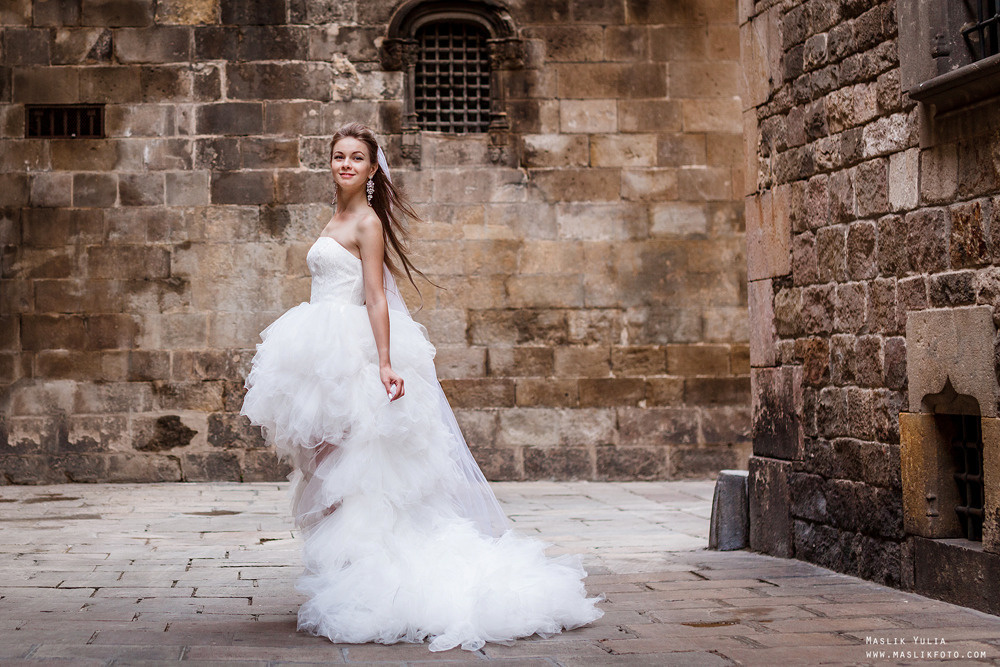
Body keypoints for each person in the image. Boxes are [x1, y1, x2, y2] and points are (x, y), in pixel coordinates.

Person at [240, 122, 604, 652]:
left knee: (359, 472)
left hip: (351, 349)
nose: (345, 164)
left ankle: (379, 581)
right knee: (327, 467)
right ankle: (347, 572)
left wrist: (385, 363)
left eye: (356, 158)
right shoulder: (336, 216)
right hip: (318, 348)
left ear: (370, 170)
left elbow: (377, 296)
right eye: (338, 156)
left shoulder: (365, 221)